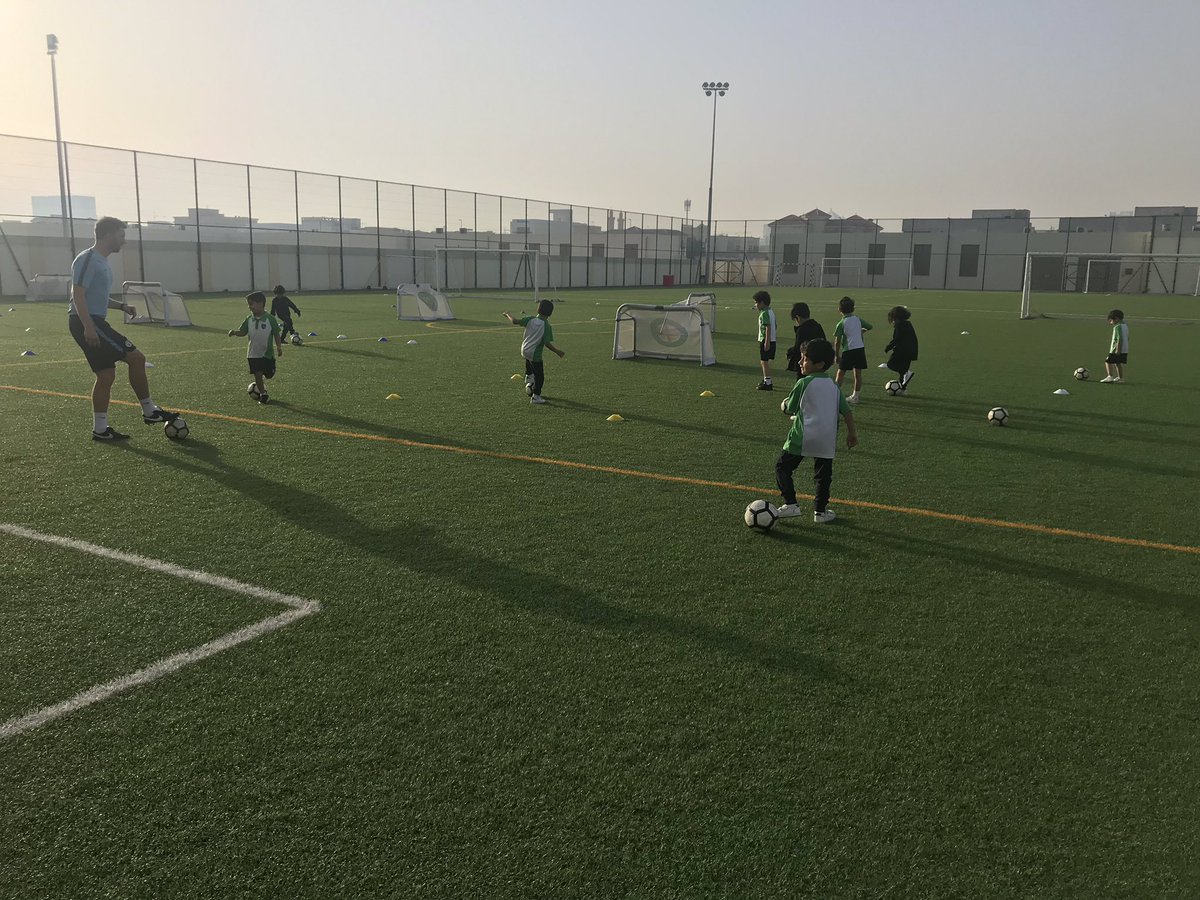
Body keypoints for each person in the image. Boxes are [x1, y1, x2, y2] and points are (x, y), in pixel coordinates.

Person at [68, 216, 178, 441]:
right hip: (88, 321)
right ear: (108, 234)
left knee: (106, 375)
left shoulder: (101, 261)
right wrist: (89, 327)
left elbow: (94, 295)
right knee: (137, 358)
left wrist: (121, 306)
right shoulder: (88, 258)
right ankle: (150, 411)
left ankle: (100, 430)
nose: (124, 240)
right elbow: (77, 295)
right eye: (121, 235)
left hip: (91, 320)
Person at [775, 338, 858, 523]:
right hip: (826, 439)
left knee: (782, 467)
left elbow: (790, 408)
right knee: (823, 476)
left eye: (804, 359)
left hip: (802, 437)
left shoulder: (803, 383)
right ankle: (820, 512)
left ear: (819, 364)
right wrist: (852, 434)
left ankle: (791, 504)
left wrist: (784, 404)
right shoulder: (834, 386)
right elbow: (847, 412)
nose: (799, 362)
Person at [504, 299, 564, 404]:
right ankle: (536, 397)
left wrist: (508, 314)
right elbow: (547, 344)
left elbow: (514, 321)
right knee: (540, 376)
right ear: (550, 313)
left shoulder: (530, 319)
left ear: (538, 309)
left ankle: (529, 379)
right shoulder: (546, 326)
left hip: (524, 349)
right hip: (534, 354)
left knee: (529, 362)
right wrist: (557, 351)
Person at [228, 291, 284, 403]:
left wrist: (278, 347)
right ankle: (263, 394)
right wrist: (234, 332)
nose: (249, 307)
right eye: (248, 304)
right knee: (257, 374)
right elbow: (243, 332)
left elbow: (276, 334)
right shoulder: (249, 319)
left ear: (261, 303)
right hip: (253, 353)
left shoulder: (270, 319)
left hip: (267, 353)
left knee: (269, 374)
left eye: (251, 304)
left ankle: (265, 378)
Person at [832, 296, 873, 404]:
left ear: (839, 309)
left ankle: (835, 395)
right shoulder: (858, 319)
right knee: (857, 374)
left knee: (840, 373)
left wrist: (836, 355)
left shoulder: (841, 323)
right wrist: (860, 331)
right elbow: (869, 326)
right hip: (860, 349)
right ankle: (856, 396)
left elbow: (837, 341)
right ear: (853, 309)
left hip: (848, 350)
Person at [785, 301, 825, 379]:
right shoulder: (817, 326)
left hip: (806, 363)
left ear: (797, 317)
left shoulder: (802, 330)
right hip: (818, 364)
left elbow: (798, 347)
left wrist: (790, 352)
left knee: (802, 383)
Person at [883, 306, 919, 393]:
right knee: (902, 370)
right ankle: (902, 388)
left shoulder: (899, 325)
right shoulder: (907, 324)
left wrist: (889, 347)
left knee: (891, 364)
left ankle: (907, 373)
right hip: (911, 350)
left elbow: (897, 339)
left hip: (903, 350)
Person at [753, 290, 777, 390]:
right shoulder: (771, 311)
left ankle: (768, 382)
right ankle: (766, 379)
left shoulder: (764, 314)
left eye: (756, 302)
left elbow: (768, 327)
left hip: (766, 340)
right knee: (765, 361)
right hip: (772, 339)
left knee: (764, 361)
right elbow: (775, 326)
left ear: (762, 302)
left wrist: (766, 342)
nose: (755, 305)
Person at [1100, 309, 1129, 383]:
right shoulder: (1125, 326)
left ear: (1116, 318)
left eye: (1111, 320)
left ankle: (1110, 376)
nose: (1111, 322)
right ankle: (1121, 378)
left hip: (1116, 349)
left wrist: (1118, 349)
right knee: (1117, 363)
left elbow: (1119, 338)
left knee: (1107, 361)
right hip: (1125, 348)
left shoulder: (1117, 327)